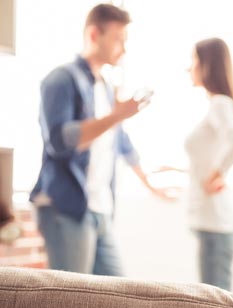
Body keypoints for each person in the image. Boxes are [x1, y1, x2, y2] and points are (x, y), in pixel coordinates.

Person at [30, 4, 168, 276]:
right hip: (66, 207)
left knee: (119, 296)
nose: (123, 49)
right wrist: (116, 117)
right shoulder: (61, 79)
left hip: (100, 208)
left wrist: (150, 184)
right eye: (118, 40)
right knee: (70, 302)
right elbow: (60, 141)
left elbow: (120, 141)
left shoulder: (104, 87)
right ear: (94, 34)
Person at [168, 38, 233, 290]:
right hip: (210, 223)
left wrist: (215, 176)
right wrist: (181, 171)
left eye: (194, 60)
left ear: (207, 65)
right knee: (211, 300)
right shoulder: (216, 105)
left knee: (215, 306)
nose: (189, 67)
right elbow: (212, 156)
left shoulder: (220, 103)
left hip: (216, 224)